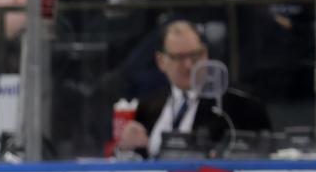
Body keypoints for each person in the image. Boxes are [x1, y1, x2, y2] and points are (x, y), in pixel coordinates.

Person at [115, 20, 271, 158]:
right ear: (161, 61)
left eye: (195, 55)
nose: (189, 65)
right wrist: (125, 149)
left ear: (206, 54)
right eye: (179, 58)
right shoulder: (146, 106)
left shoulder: (240, 106)